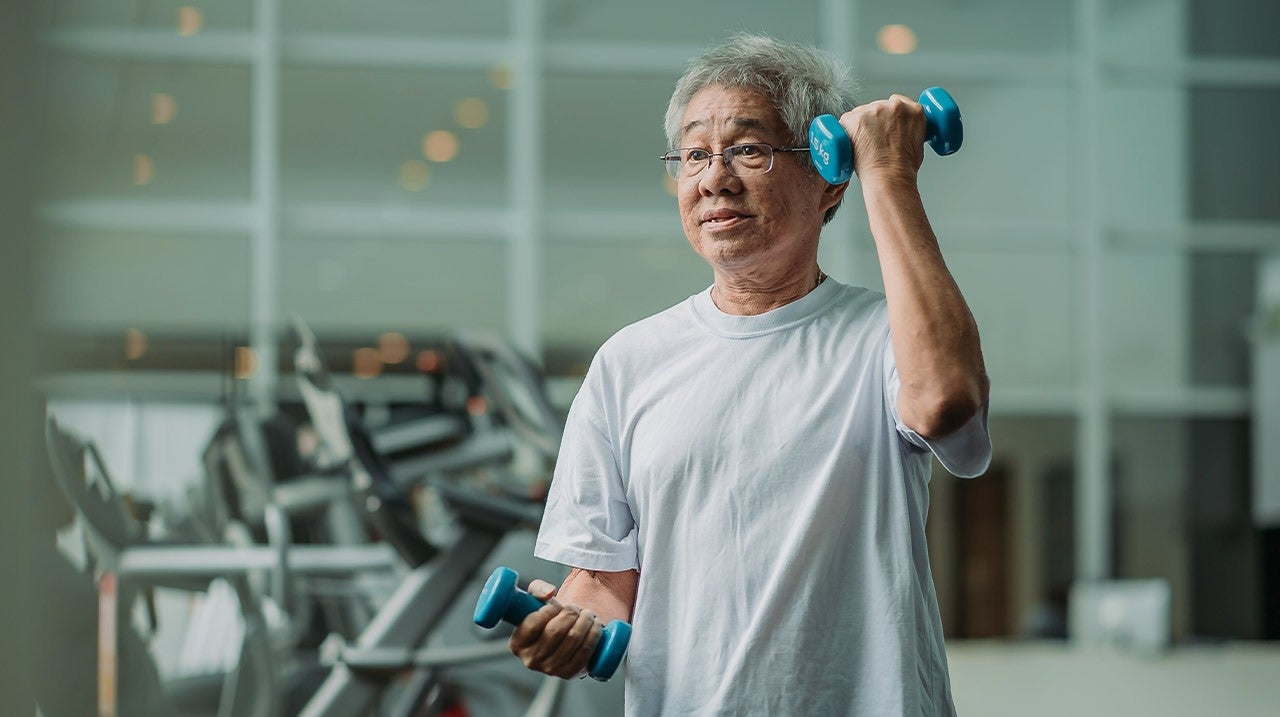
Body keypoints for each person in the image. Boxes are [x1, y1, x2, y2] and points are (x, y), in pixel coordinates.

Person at [511, 33, 991, 715]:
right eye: (694, 154)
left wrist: (889, 173)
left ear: (829, 178)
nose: (713, 178)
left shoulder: (886, 338)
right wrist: (571, 625)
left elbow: (945, 402)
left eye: (748, 148)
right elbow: (602, 580)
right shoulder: (629, 361)